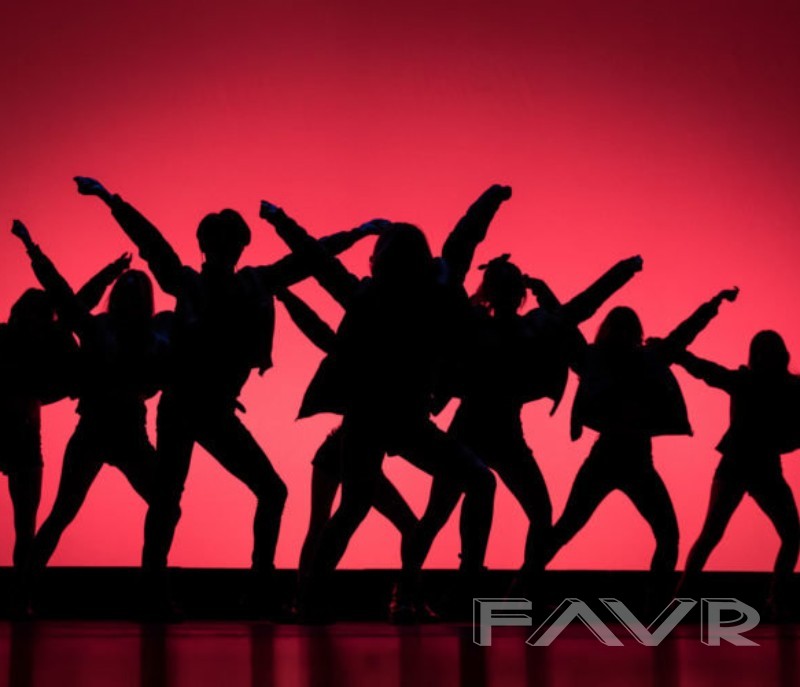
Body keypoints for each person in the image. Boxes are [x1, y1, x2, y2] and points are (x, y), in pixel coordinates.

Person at [73, 176, 380, 613]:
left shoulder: (240, 284)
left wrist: (357, 233)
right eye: (225, 245)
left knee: (239, 493)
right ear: (215, 247)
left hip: (203, 408)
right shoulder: (214, 285)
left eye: (232, 245)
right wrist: (110, 199)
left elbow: (310, 258)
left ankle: (239, 591)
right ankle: (183, 592)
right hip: (188, 406)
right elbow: (153, 242)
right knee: (186, 497)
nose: (227, 252)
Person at [260, 184, 511, 620]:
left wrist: (280, 220)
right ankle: (456, 587)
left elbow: (317, 260)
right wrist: (490, 200)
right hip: (396, 419)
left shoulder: (371, 296)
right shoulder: (430, 294)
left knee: (354, 508)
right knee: (476, 481)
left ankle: (314, 598)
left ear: (382, 261)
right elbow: (463, 241)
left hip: (375, 418)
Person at [415, 252, 643, 597]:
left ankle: (489, 581)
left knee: (447, 512)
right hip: (488, 431)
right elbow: (582, 306)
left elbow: (581, 306)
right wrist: (624, 271)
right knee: (463, 511)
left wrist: (623, 271)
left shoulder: (495, 326)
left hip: (486, 430)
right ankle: (490, 581)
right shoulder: (514, 328)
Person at [545, 287, 739, 601]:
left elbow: (683, 334)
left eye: (627, 330)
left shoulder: (640, 359)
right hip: (611, 457)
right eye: (619, 329)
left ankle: (656, 601)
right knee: (569, 528)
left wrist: (712, 305)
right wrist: (543, 295)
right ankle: (522, 586)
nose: (623, 336)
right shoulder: (600, 359)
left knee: (665, 534)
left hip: (633, 460)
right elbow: (565, 325)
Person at [12, 220, 170, 578]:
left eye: (135, 296)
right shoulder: (103, 329)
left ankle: (153, 585)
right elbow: (66, 295)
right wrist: (32, 249)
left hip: (126, 433)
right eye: (126, 294)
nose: (130, 302)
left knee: (164, 504)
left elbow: (68, 297)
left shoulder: (152, 337)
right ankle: (22, 589)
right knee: (63, 514)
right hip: (96, 431)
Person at [2, 230, 128, 612]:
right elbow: (73, 299)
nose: (38, 323)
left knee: (28, 524)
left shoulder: (54, 340)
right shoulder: (18, 338)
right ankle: (21, 594)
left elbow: (76, 300)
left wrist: (109, 273)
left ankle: (21, 594)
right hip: (22, 433)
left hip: (25, 437)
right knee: (30, 523)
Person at [273, 288, 418, 577]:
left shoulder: (379, 359)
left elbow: (319, 331)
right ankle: (308, 592)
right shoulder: (378, 361)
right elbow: (319, 330)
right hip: (342, 453)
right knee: (330, 524)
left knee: (324, 525)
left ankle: (306, 593)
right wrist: (288, 297)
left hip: (342, 453)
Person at [676, 330, 800, 616]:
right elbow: (706, 371)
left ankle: (682, 598)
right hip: (752, 466)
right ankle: (775, 600)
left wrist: (676, 354)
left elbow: (706, 371)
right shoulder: (780, 385)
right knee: (786, 535)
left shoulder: (753, 382)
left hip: (747, 465)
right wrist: (678, 355)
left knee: (713, 534)